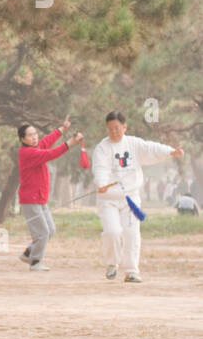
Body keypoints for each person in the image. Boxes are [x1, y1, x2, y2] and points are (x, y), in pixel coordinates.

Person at [91, 111, 184, 283]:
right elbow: (100, 168)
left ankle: (131, 271)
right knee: (113, 231)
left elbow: (152, 148)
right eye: (110, 129)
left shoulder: (134, 144)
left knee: (131, 233)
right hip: (108, 200)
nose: (114, 132)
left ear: (125, 127)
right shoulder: (102, 148)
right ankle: (112, 263)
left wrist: (171, 151)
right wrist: (101, 183)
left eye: (117, 128)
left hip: (130, 199)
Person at [16, 117, 84, 272]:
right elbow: (52, 153)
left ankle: (28, 253)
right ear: (22, 139)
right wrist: (71, 143)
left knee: (50, 230)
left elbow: (47, 141)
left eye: (35, 134)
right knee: (42, 233)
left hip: (39, 199)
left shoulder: (36, 147)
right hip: (30, 200)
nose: (34, 137)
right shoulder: (28, 153)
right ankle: (35, 263)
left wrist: (62, 129)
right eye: (30, 135)